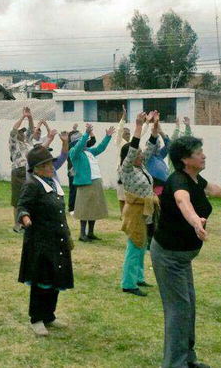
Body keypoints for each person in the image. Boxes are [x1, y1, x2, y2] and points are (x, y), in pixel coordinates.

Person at [153, 135, 221, 368]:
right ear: (185, 159)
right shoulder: (178, 181)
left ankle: (187, 358)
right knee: (178, 310)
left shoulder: (194, 178)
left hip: (182, 258)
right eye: (198, 153)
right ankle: (174, 364)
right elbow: (182, 201)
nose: (203, 155)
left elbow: (211, 188)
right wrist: (196, 221)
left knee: (188, 307)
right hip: (168, 257)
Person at [17, 145, 74, 337]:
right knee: (41, 281)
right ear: (36, 169)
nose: (51, 167)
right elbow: (22, 206)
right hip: (40, 242)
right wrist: (25, 218)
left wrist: (67, 235)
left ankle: (49, 315)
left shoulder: (53, 183)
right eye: (46, 164)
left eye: (50, 163)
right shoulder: (32, 184)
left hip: (57, 240)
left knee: (55, 278)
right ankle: (36, 318)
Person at [119, 112, 159, 297]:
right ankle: (128, 283)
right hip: (135, 211)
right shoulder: (127, 169)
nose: (142, 154)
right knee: (135, 245)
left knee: (142, 244)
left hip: (145, 210)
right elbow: (133, 148)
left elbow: (150, 147)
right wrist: (137, 126)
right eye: (138, 152)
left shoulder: (140, 166)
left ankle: (138, 277)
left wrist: (154, 128)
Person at [70, 123, 114, 242]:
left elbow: (100, 148)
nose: (85, 142)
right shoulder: (74, 152)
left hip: (96, 182)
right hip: (85, 184)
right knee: (84, 209)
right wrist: (85, 134)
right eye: (83, 140)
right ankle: (82, 234)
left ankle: (90, 233)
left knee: (93, 208)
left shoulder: (88, 151)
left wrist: (107, 137)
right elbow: (78, 147)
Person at [10, 107, 35, 232]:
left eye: (23, 133)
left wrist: (30, 118)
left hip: (29, 171)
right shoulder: (14, 143)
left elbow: (31, 130)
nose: (23, 134)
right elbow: (14, 130)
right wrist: (22, 117)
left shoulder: (27, 143)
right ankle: (17, 225)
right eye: (21, 133)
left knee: (28, 198)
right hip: (19, 170)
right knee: (17, 199)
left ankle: (26, 222)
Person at [67, 126, 96, 214]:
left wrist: (90, 132)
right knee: (73, 190)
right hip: (73, 171)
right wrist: (86, 133)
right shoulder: (71, 148)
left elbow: (93, 141)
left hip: (80, 171)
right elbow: (80, 145)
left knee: (80, 190)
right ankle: (71, 208)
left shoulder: (83, 147)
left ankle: (79, 207)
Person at [115, 106, 131, 215]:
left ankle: (127, 214)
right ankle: (122, 214)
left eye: (129, 133)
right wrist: (123, 118)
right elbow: (119, 130)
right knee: (121, 195)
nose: (128, 135)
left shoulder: (132, 143)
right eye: (126, 133)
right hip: (121, 171)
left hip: (131, 171)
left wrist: (147, 122)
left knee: (129, 195)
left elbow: (142, 132)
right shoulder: (119, 142)